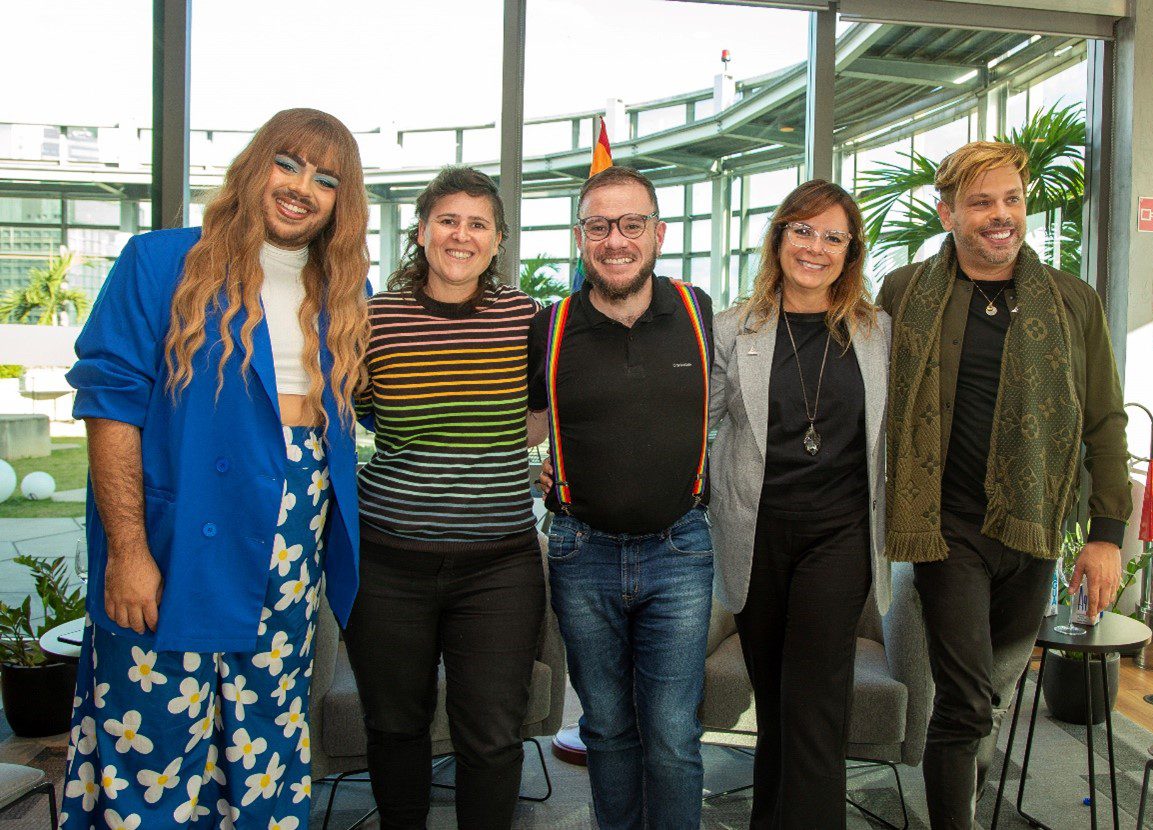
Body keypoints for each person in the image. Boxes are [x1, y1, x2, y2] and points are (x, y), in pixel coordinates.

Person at [61, 108, 370, 829]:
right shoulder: (160, 259)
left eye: (326, 179)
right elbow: (109, 410)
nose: (302, 188)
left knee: (267, 732)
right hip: (178, 539)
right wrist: (129, 554)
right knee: (156, 738)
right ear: (255, 165)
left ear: (341, 202)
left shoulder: (341, 291)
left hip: (292, 541)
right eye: (287, 164)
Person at [876, 140, 1130, 830]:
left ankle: (963, 791)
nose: (1000, 215)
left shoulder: (1072, 302)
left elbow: (1104, 421)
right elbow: (867, 402)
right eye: (982, 201)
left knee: (991, 693)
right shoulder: (904, 293)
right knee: (962, 700)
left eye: (1012, 199)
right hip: (946, 529)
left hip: (1034, 527)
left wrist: (1106, 538)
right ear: (948, 212)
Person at [342, 166, 547, 830]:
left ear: (496, 241)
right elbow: (355, 411)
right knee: (395, 725)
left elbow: (551, 417)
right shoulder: (373, 320)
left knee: (491, 733)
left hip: (499, 566)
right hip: (387, 563)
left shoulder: (529, 320)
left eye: (478, 223)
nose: (462, 235)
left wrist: (553, 472)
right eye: (449, 220)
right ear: (422, 230)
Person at [527, 165, 714, 830]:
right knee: (605, 728)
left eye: (631, 224)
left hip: (679, 551)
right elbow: (528, 427)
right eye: (599, 226)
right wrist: (544, 469)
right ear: (581, 238)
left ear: (657, 234)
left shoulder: (699, 313)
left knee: (670, 732)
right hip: (582, 554)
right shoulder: (547, 327)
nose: (616, 239)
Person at [707, 179, 890, 829]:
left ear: (851, 251)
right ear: (779, 237)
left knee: (813, 704)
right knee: (781, 704)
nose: (815, 247)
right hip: (754, 538)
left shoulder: (878, 334)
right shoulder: (733, 330)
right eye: (803, 230)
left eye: (832, 236)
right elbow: (695, 424)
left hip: (838, 539)